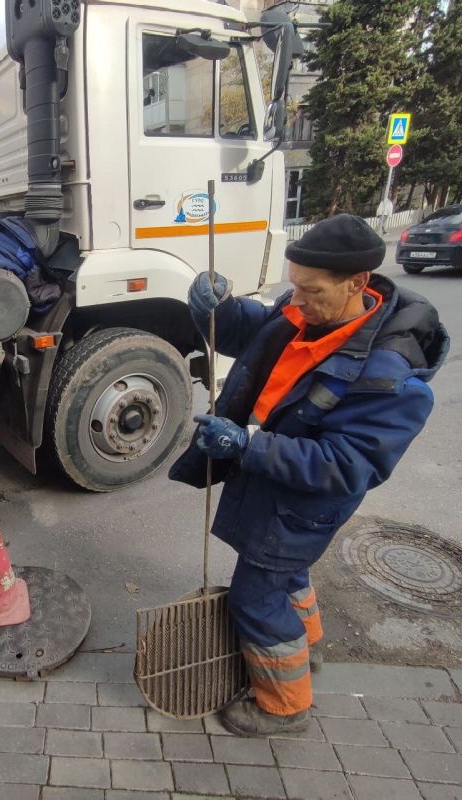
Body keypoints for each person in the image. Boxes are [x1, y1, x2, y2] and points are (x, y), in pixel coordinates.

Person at [169, 214, 449, 737]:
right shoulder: (308, 313)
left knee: (257, 595)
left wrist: (248, 442)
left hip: (303, 502)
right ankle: (309, 644)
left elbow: (346, 465)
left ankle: (283, 706)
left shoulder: (392, 380)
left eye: (310, 290)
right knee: (286, 572)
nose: (295, 301)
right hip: (270, 480)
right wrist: (216, 308)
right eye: (292, 286)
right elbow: (256, 330)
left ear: (358, 284)